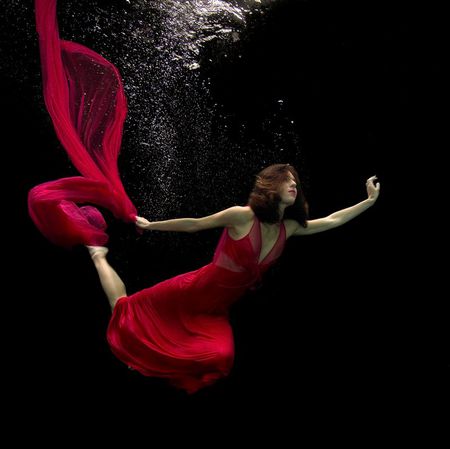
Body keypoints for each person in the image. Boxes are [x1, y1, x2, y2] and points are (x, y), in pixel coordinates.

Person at [87, 163, 380, 393]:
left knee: (221, 357)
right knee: (124, 309)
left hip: (214, 311)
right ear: (271, 186)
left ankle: (150, 358)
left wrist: (368, 201)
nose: (294, 185)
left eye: (295, 182)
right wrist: (151, 226)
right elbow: (195, 225)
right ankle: (98, 255)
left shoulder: (288, 228)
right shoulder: (242, 216)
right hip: (191, 291)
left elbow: (332, 220)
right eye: (287, 180)